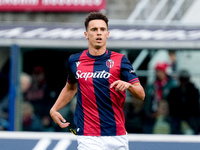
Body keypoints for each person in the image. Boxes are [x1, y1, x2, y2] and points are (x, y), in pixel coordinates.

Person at [50, 12, 145, 150]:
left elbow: (141, 94)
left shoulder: (120, 60)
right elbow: (70, 88)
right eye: (94, 30)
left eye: (102, 29)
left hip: (117, 135)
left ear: (108, 33)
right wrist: (54, 109)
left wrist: (129, 86)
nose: (98, 33)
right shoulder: (74, 60)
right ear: (86, 34)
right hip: (88, 136)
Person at [144, 62, 177, 133]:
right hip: (153, 115)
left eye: (160, 71)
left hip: (167, 115)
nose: (158, 73)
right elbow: (148, 102)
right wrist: (149, 113)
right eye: (157, 71)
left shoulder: (171, 86)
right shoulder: (152, 86)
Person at [167, 70, 200, 134]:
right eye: (182, 79)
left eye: (185, 79)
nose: (183, 82)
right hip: (177, 116)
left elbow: (194, 106)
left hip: (190, 116)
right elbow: (172, 106)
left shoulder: (194, 91)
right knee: (174, 123)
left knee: (194, 122)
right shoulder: (174, 91)